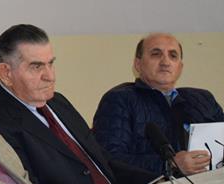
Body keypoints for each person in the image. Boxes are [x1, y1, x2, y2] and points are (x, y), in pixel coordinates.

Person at [0, 24, 151, 184]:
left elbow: (100, 159)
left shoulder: (58, 101)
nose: (50, 76)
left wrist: (154, 182)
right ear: (6, 73)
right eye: (36, 67)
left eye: (50, 64)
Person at [93, 33, 222, 176]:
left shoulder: (203, 99)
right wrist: (170, 164)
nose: (165, 62)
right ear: (138, 64)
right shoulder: (119, 100)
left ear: (180, 67)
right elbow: (109, 159)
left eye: (173, 56)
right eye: (156, 54)